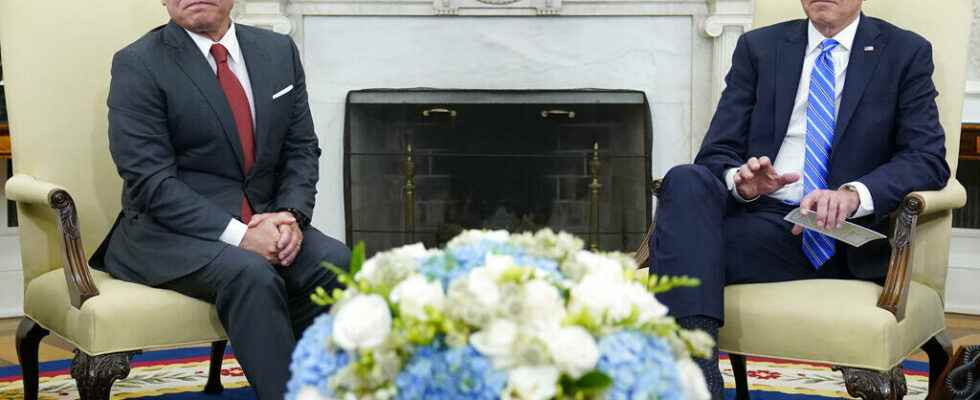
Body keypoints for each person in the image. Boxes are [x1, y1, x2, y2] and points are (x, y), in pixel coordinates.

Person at [649, 0, 949, 398]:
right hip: (768, 224)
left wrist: (853, 195)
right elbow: (716, 154)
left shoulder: (905, 52)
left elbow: (926, 157)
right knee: (684, 179)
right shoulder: (760, 48)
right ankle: (699, 380)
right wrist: (741, 184)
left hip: (846, 237)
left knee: (676, 248)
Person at [89, 0, 351, 398]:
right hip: (166, 234)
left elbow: (300, 148)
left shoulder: (277, 51)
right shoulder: (138, 64)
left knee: (336, 262)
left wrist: (290, 216)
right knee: (251, 274)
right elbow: (150, 180)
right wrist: (242, 236)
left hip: (265, 218)